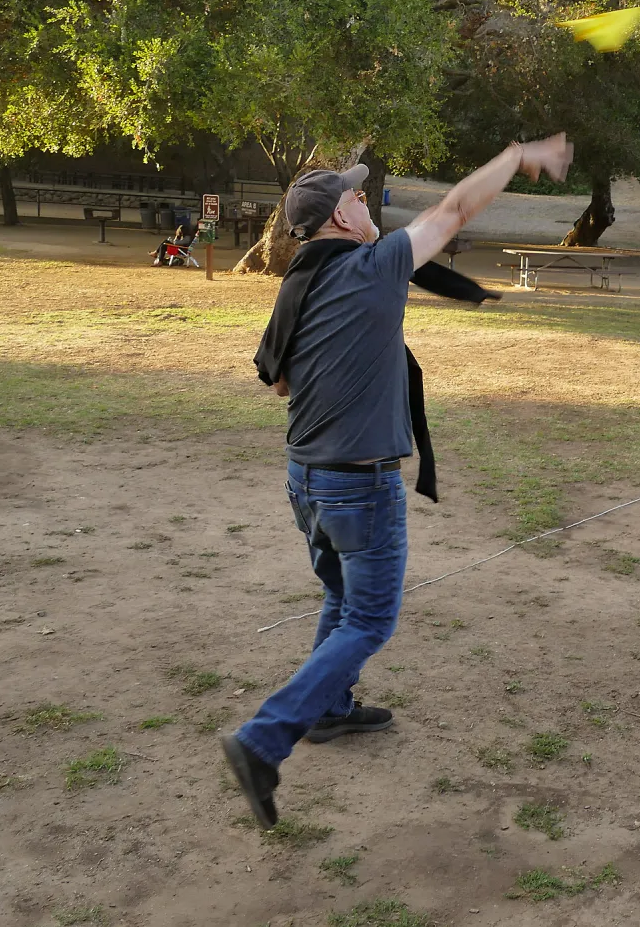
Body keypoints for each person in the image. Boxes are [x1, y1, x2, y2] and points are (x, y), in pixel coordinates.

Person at [222, 135, 574, 830]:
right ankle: (265, 737)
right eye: (356, 195)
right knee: (370, 618)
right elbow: (454, 210)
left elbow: (281, 381)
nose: (365, 199)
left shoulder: (303, 279)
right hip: (357, 484)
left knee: (339, 594)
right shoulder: (373, 265)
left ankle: (330, 708)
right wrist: (514, 156)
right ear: (339, 219)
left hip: (306, 479)